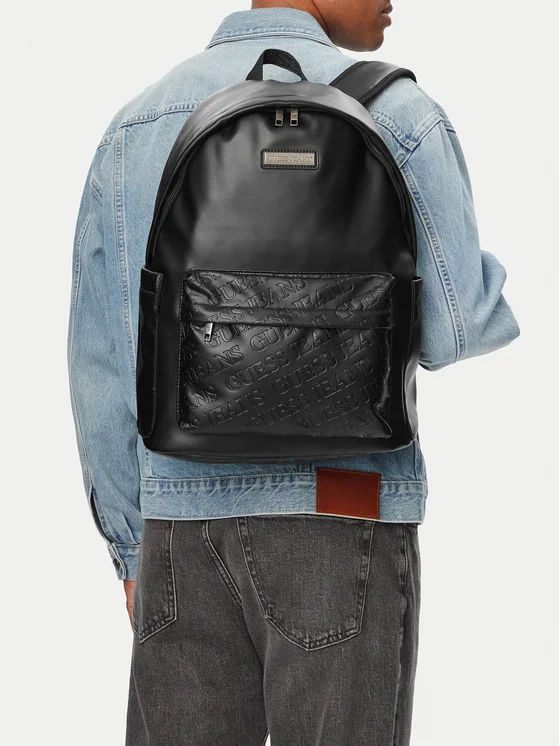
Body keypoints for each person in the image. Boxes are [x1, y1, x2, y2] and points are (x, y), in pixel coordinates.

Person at [68, 2, 520, 744]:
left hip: (178, 526)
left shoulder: (138, 126)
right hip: (345, 512)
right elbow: (456, 327)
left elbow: (101, 359)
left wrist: (130, 546)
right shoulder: (400, 115)